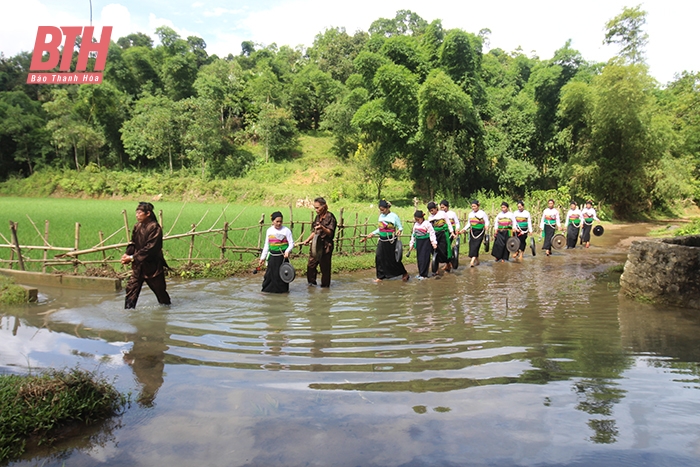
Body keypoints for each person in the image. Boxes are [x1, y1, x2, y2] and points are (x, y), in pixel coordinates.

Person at [121, 202, 171, 309]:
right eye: (136, 213)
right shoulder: (137, 226)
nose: (137, 215)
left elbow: (150, 248)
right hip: (139, 265)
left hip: (153, 266)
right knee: (131, 288)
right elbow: (133, 243)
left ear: (147, 213)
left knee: (160, 291)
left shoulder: (155, 227)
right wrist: (127, 254)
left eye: (139, 213)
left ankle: (166, 310)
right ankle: (129, 312)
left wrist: (132, 258)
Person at [363, 200, 409, 282]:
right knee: (379, 257)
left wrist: (399, 230)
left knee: (393, 259)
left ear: (387, 208)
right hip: (382, 240)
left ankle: (404, 273)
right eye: (380, 209)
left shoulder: (394, 216)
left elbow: (400, 227)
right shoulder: (381, 216)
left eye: (383, 209)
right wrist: (372, 233)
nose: (381, 211)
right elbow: (380, 228)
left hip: (391, 240)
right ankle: (380, 276)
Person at [301, 197, 337, 287]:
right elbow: (314, 232)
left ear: (324, 207)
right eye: (315, 208)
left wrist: (322, 228)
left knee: (325, 269)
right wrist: (308, 239)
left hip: (326, 246)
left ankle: (325, 288)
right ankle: (311, 284)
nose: (316, 210)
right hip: (315, 245)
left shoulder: (330, 217)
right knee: (311, 266)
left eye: (317, 208)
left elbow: (330, 232)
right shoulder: (317, 217)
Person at [259, 211, 294, 293]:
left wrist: (287, 251)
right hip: (272, 257)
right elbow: (266, 245)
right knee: (269, 275)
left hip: (282, 257)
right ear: (273, 221)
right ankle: (267, 291)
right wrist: (262, 258)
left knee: (282, 275)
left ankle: (282, 292)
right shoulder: (269, 231)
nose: (279, 223)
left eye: (280, 221)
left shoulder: (286, 230)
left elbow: (291, 243)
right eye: (277, 221)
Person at [408, 210, 438, 279]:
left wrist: (434, 242)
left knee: (425, 258)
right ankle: (421, 273)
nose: (417, 221)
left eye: (418, 219)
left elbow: (432, 233)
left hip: (426, 243)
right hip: (419, 243)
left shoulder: (427, 223)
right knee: (419, 259)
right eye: (416, 219)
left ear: (422, 218)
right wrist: (411, 243)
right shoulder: (416, 225)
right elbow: (413, 235)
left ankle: (424, 275)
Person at [460, 200, 489, 267]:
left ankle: (472, 261)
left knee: (476, 245)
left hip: (480, 231)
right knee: (472, 245)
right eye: (472, 206)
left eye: (474, 206)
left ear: (478, 206)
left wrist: (486, 226)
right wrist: (464, 229)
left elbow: (486, 221)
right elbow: (469, 223)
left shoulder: (482, 213)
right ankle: (477, 261)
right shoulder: (470, 214)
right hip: (472, 231)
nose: (473, 208)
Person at [428, 201, 455, 272]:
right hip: (434, 235)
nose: (431, 212)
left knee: (443, 250)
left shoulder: (442, 214)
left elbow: (448, 223)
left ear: (436, 208)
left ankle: (448, 263)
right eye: (430, 211)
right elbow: (429, 228)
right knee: (434, 251)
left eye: (432, 210)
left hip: (443, 234)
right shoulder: (430, 218)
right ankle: (436, 268)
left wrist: (452, 232)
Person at [440, 199, 461, 267]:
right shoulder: (440, 214)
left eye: (443, 207)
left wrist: (457, 228)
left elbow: (457, 222)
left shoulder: (452, 213)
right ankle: (448, 262)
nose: (442, 209)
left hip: (451, 232)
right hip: (443, 232)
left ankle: (448, 263)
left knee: (447, 246)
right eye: (441, 207)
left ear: (447, 206)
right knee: (444, 247)